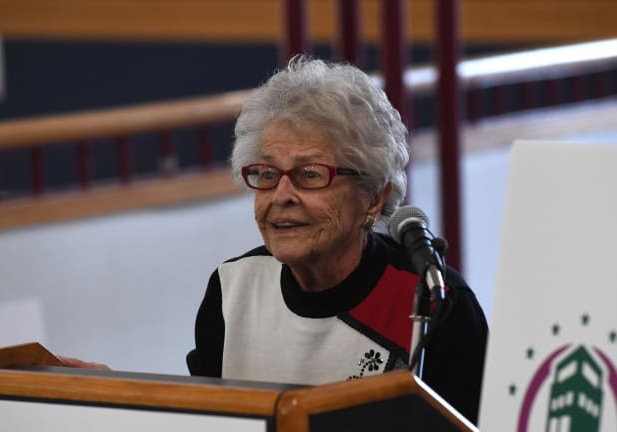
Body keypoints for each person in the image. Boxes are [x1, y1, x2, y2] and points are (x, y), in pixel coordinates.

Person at [186, 56, 488, 424]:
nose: (281, 195)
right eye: (267, 174)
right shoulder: (232, 290)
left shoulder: (435, 303)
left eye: (310, 175)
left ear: (373, 197)